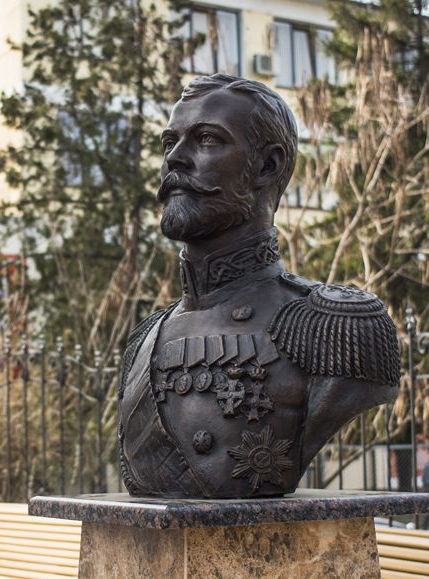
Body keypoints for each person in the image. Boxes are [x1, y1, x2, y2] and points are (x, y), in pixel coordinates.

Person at [118, 75, 399, 499]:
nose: (175, 159)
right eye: (169, 142)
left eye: (207, 140)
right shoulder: (145, 339)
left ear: (267, 165)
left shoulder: (341, 324)